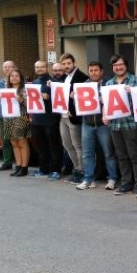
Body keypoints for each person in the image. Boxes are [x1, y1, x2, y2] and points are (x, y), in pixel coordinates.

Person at [104, 54, 137, 198]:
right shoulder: (109, 84)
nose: (118, 67)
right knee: (121, 156)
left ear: (126, 65)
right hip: (115, 125)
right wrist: (105, 115)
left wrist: (135, 92)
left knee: (135, 156)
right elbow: (106, 104)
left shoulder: (136, 81)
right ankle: (126, 183)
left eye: (121, 64)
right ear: (112, 67)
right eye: (115, 65)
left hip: (131, 124)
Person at [75, 61, 118, 191]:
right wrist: (74, 96)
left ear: (101, 71)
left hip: (103, 124)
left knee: (108, 153)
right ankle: (88, 179)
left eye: (96, 70)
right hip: (87, 123)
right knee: (87, 153)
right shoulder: (84, 86)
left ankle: (112, 178)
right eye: (91, 70)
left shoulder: (108, 84)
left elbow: (114, 102)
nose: (93, 73)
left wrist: (104, 100)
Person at [27, 61, 63, 180]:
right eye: (37, 67)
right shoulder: (34, 83)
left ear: (47, 68)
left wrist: (49, 97)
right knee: (41, 147)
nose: (39, 69)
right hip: (37, 120)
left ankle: (56, 170)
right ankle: (43, 169)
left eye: (42, 67)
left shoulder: (55, 82)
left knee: (54, 146)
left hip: (51, 119)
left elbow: (61, 100)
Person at [59, 53, 89, 184]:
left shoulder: (82, 77)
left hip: (74, 116)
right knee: (67, 145)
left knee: (78, 145)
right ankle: (77, 169)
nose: (66, 66)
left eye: (68, 63)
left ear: (74, 63)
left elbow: (86, 97)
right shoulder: (65, 77)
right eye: (64, 64)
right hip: (63, 116)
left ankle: (82, 171)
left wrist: (75, 111)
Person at [5, 69, 32, 177]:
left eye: (17, 76)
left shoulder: (24, 90)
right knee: (14, 143)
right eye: (12, 76)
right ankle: (18, 166)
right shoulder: (7, 90)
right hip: (9, 118)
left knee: (22, 143)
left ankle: (24, 168)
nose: (14, 78)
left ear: (20, 78)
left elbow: (29, 104)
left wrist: (20, 99)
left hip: (21, 118)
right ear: (9, 78)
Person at [0, 61, 16, 171]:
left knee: (17, 141)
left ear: (14, 68)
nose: (7, 68)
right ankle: (7, 162)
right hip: (2, 116)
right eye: (5, 67)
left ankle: (20, 164)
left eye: (9, 66)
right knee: (5, 141)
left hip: (15, 116)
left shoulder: (18, 81)